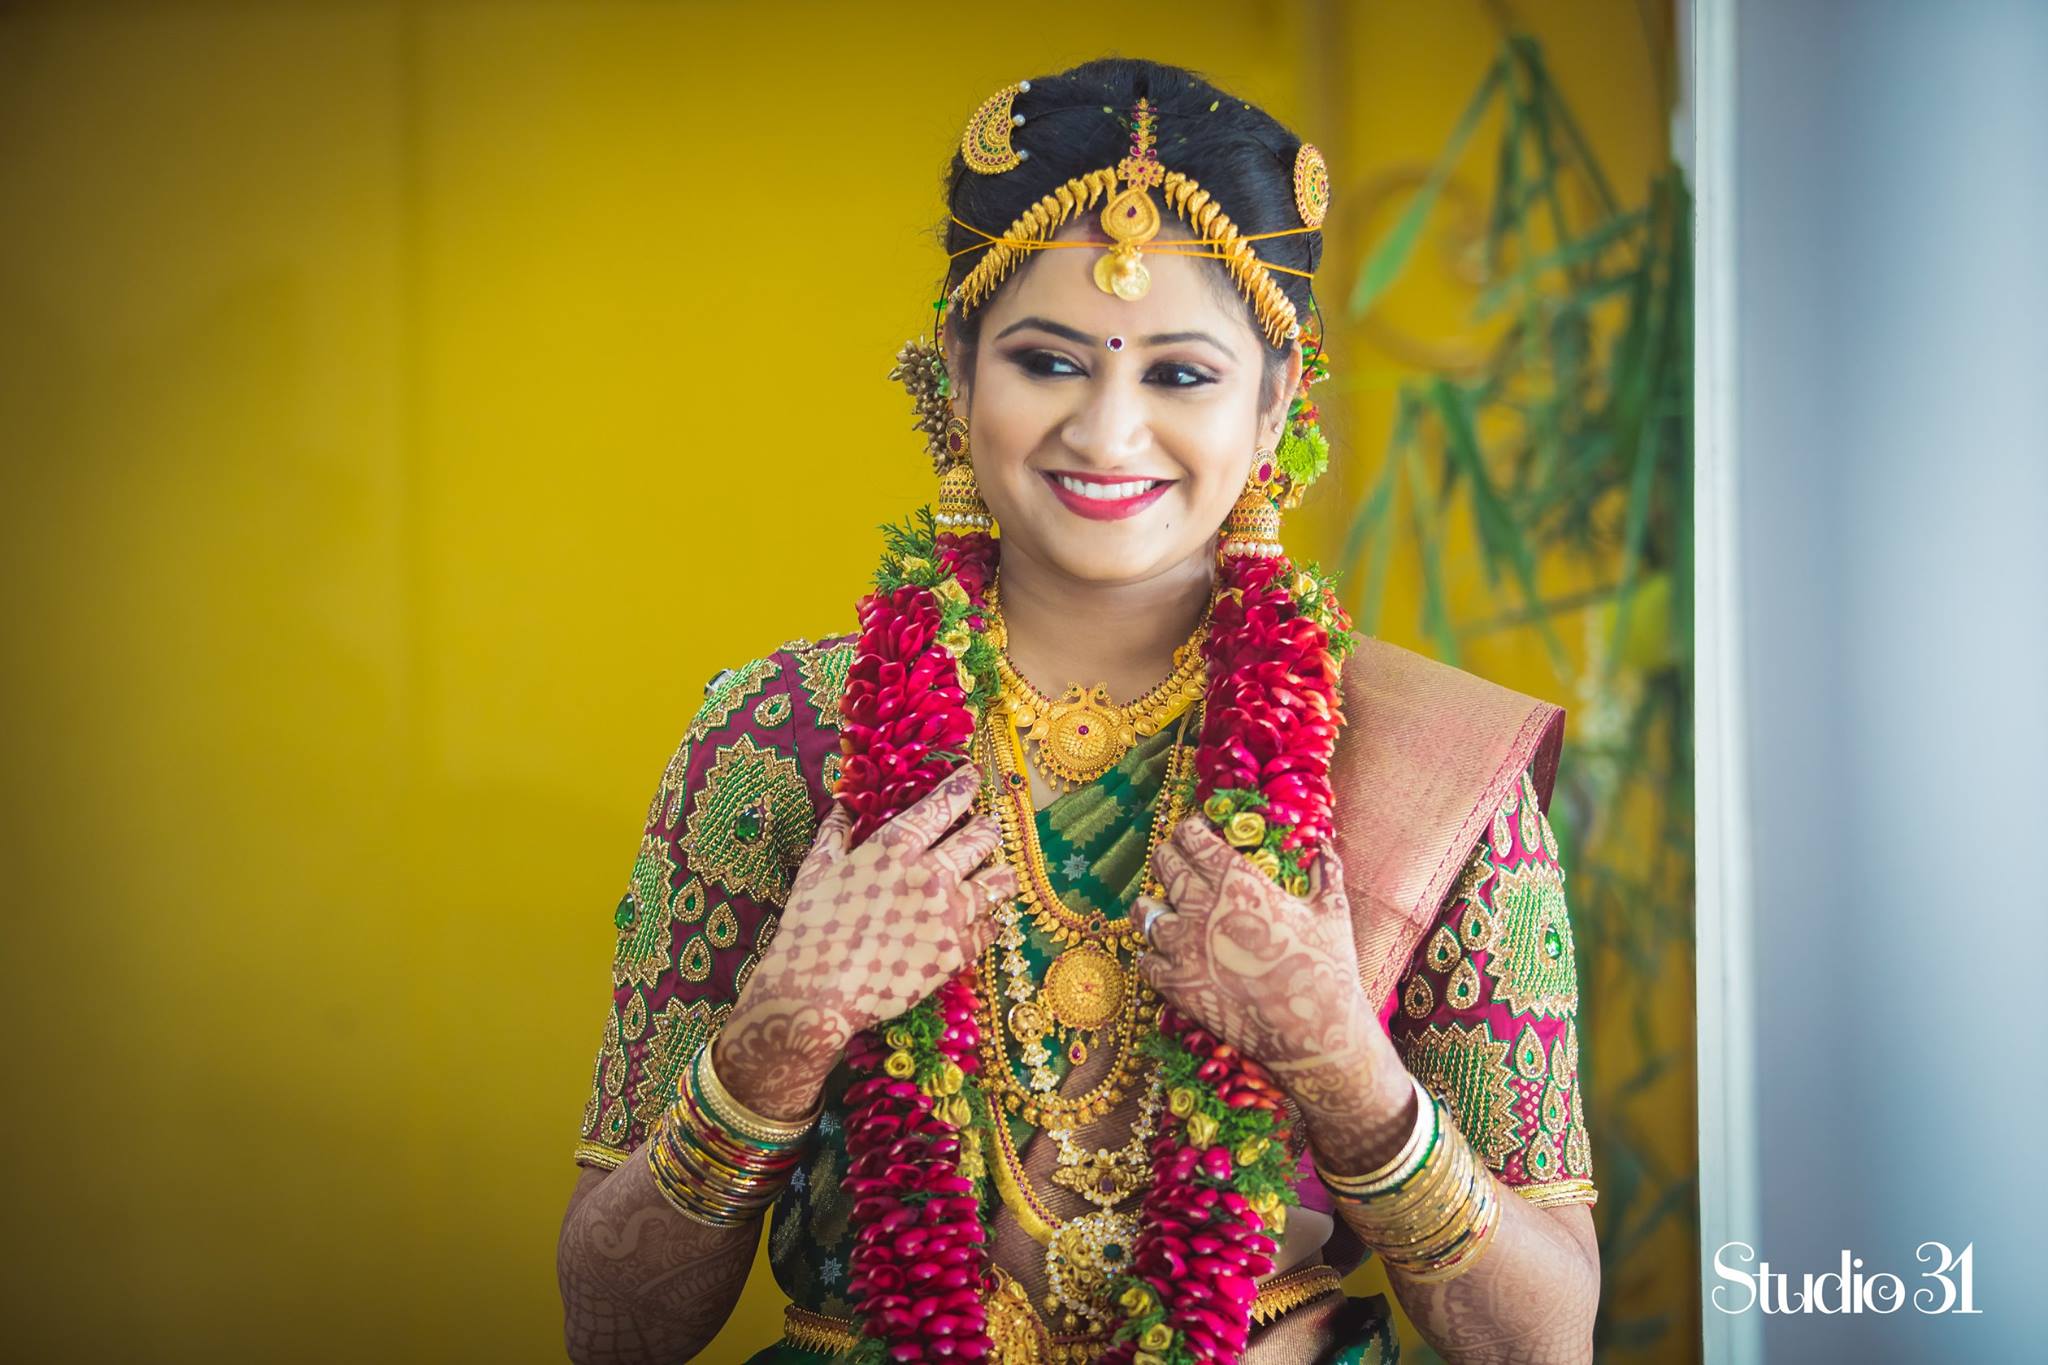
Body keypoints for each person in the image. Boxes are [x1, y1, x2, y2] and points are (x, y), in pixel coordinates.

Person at [556, 57, 1600, 1365]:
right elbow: (610, 1325)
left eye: (1181, 376)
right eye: (1050, 359)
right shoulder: (775, 743)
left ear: (1277, 402)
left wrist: (1340, 1061)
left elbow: (1547, 1340)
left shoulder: (1424, 767)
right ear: (955, 365)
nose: (1109, 432)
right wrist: (786, 1028)